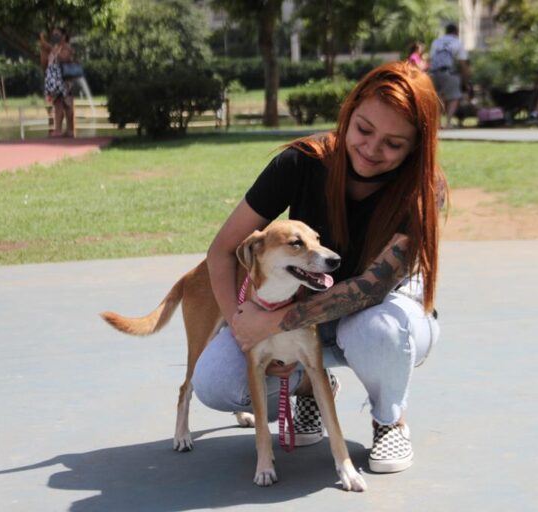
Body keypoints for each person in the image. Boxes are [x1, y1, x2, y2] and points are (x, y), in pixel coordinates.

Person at [191, 62, 446, 474]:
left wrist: (275, 324)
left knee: (375, 330)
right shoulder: (301, 162)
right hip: (308, 309)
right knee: (217, 382)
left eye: (393, 143)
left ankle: (389, 419)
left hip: (385, 314)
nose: (372, 148)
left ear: (416, 146)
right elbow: (222, 251)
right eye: (364, 129)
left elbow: (370, 289)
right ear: (348, 115)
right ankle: (313, 385)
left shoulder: (423, 190)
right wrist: (243, 328)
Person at [429, 24, 470, 129]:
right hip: (447, 71)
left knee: (437, 97)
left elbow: (431, 59)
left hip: (433, 73)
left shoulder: (436, 42)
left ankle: (437, 123)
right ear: (456, 32)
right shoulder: (457, 42)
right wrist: (466, 79)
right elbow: (463, 63)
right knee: (454, 97)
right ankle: (448, 122)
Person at [39, 27, 76, 137]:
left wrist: (49, 48)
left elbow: (64, 58)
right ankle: (58, 130)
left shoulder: (67, 48)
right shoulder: (53, 48)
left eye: (57, 34)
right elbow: (44, 63)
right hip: (53, 80)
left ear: (63, 36)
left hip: (65, 79)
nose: (54, 36)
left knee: (68, 104)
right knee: (58, 104)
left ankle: (70, 130)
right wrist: (43, 49)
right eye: (53, 34)